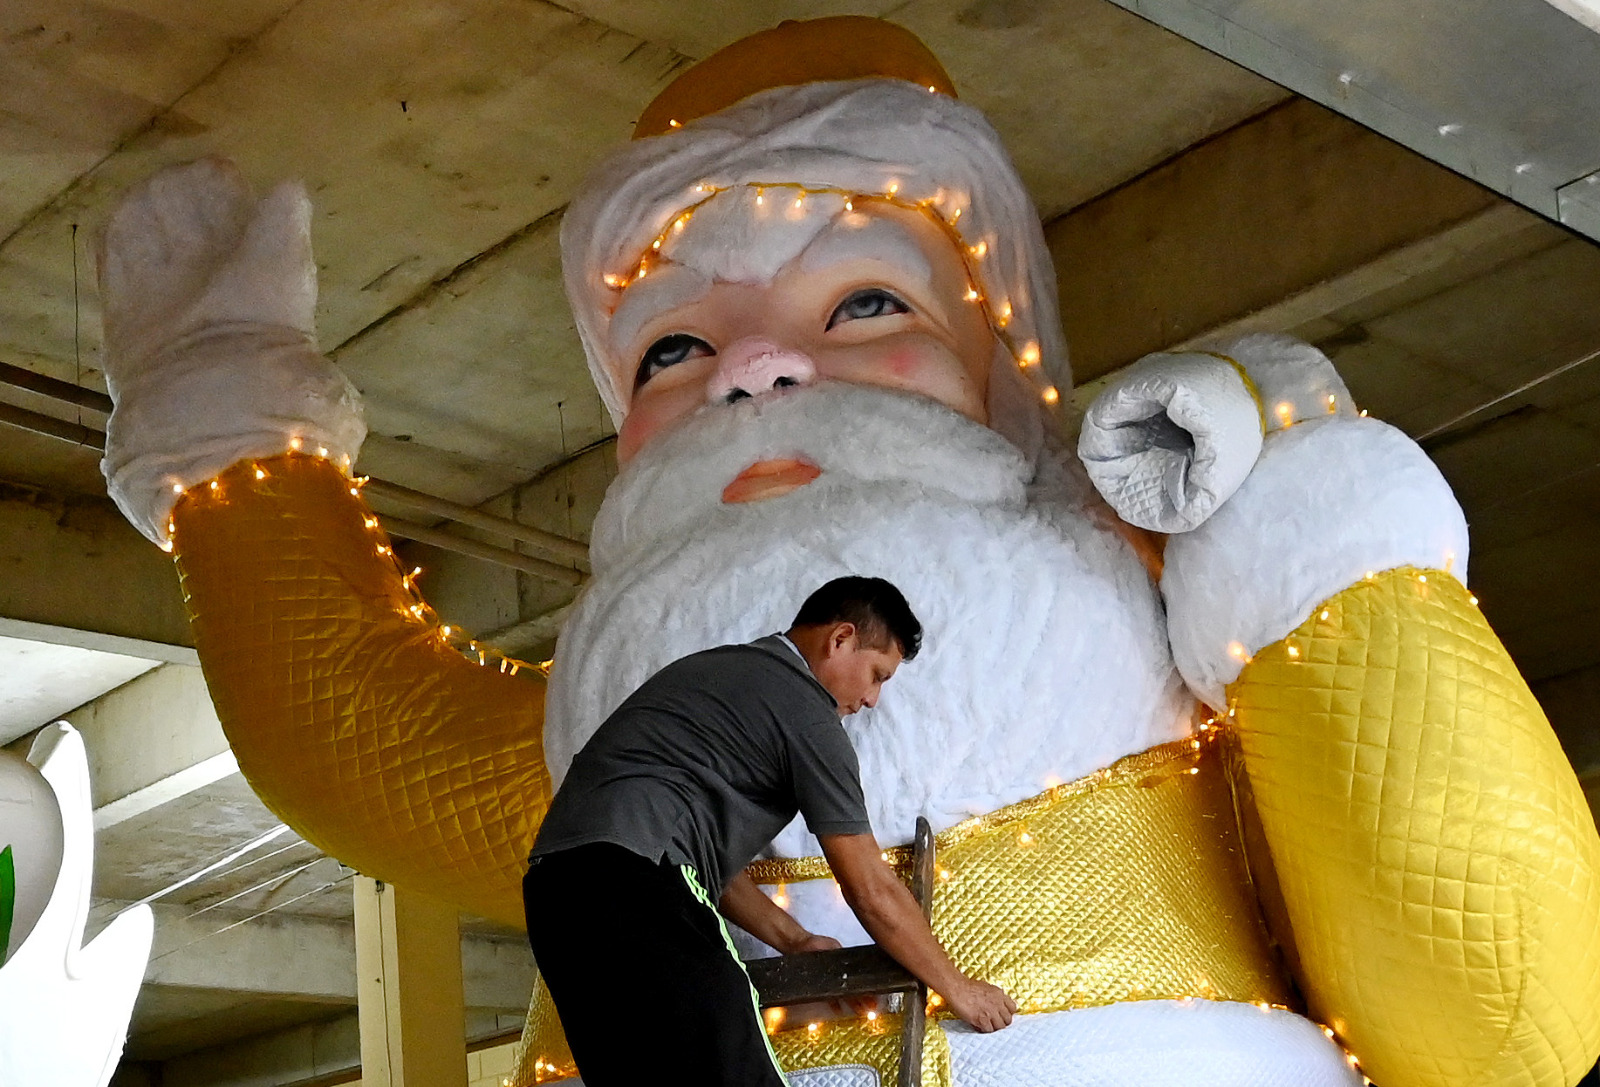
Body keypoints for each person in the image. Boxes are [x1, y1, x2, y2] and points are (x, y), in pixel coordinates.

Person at [523, 575, 1016, 1086]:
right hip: (638, 885)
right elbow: (869, 887)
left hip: (556, 897)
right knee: (735, 1067)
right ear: (840, 639)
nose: (872, 700)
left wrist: (797, 941)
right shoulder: (805, 712)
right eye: (877, 675)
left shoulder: (719, 673)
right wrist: (958, 989)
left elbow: (699, 864)